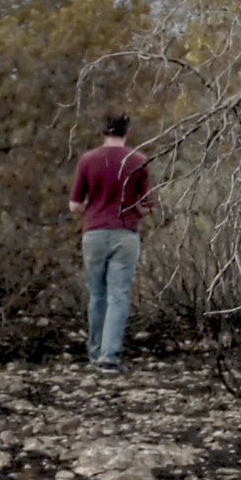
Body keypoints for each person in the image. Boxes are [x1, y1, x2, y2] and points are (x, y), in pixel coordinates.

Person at [69, 113, 155, 372]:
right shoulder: (138, 161)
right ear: (127, 132)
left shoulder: (88, 160)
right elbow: (146, 207)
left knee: (98, 295)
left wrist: (93, 206)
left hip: (94, 233)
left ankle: (95, 353)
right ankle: (109, 356)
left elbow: (75, 205)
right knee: (118, 295)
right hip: (125, 233)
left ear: (103, 133)